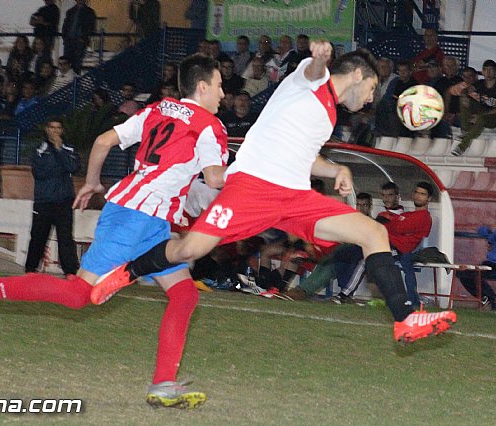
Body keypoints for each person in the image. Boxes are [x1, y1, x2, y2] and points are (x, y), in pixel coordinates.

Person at [92, 42, 457, 344]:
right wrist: (318, 58)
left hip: (295, 196)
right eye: (373, 89)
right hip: (252, 187)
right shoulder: (309, 81)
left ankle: (407, 318)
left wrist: (336, 169)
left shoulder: (329, 114)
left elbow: (301, 154)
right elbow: (313, 72)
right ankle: (129, 270)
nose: (369, 100)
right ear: (358, 75)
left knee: (374, 232)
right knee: (191, 249)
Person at [0, 53, 229, 410]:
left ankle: (163, 383)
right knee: (78, 294)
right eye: (220, 86)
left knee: (185, 295)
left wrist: (94, 182)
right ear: (203, 87)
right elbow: (216, 179)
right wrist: (253, 171)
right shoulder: (209, 126)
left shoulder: (160, 109)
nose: (222, 94)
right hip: (137, 218)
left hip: (148, 219)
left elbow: (102, 142)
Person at [24, 117, 81, 276]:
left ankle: (70, 272)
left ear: (62, 130)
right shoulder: (39, 149)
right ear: (47, 129)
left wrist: (59, 150)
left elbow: (74, 167)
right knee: (38, 237)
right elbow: (39, 173)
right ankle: (31, 270)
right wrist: (62, 167)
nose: (55, 131)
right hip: (44, 201)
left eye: (58, 128)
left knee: (66, 239)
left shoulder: (68, 149)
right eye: (52, 127)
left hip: (64, 201)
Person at [376, 182, 433, 309]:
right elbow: (394, 226)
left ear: (429, 199)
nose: (418, 196)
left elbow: (399, 227)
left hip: (405, 250)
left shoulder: (424, 216)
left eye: (422, 194)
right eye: (417, 193)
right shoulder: (409, 215)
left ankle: (412, 301)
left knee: (374, 259)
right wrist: (393, 225)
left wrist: (392, 224)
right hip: (397, 247)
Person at [455, 213, 496, 311]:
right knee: (463, 274)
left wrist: (491, 237)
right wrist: (490, 233)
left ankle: (494, 299)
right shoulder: (495, 234)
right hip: (489, 263)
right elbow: (481, 229)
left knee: (476, 274)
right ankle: (484, 297)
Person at [451, 60, 496, 157]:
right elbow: (466, 90)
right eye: (486, 70)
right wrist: (464, 96)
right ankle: (466, 130)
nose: (488, 73)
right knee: (464, 100)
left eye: (491, 70)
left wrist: (480, 115)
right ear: (482, 72)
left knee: (482, 119)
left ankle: (462, 147)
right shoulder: (481, 83)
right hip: (484, 110)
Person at [62, 0, 96, 74]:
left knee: (77, 63)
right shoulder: (70, 11)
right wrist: (65, 38)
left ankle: (75, 82)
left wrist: (84, 38)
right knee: (66, 62)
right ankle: (66, 81)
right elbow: (65, 25)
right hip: (69, 40)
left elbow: (91, 26)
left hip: (80, 41)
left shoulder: (89, 12)